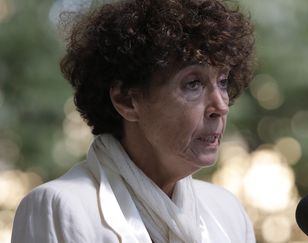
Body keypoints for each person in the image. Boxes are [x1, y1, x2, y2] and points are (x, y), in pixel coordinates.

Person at [11, 0, 255, 242]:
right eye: (193, 83)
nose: (221, 106)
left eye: (222, 82)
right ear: (126, 100)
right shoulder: (59, 208)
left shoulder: (228, 213)